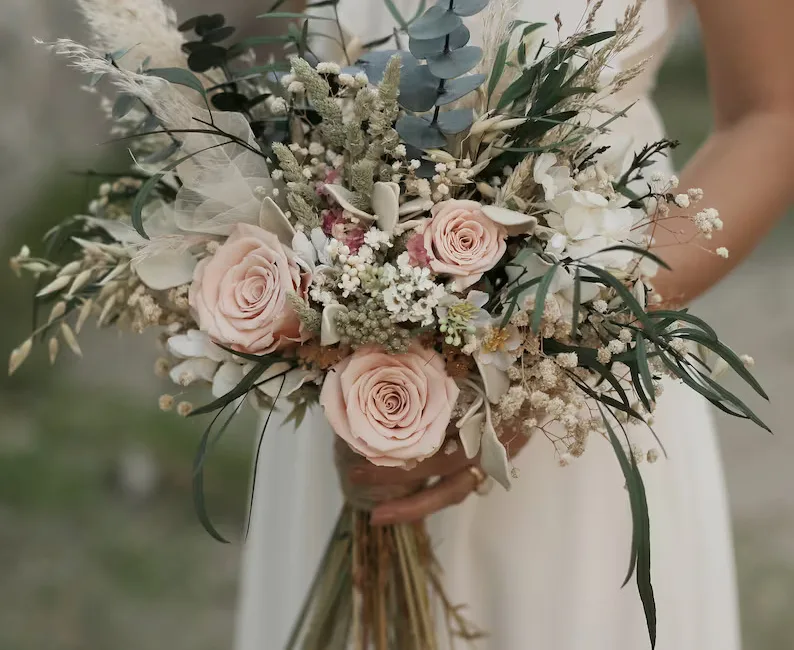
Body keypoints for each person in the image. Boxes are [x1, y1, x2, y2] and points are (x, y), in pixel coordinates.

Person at [234, 1, 794, 648]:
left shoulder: (567, 346)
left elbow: (771, 115)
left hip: (576, 375)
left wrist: (553, 343)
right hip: (345, 349)